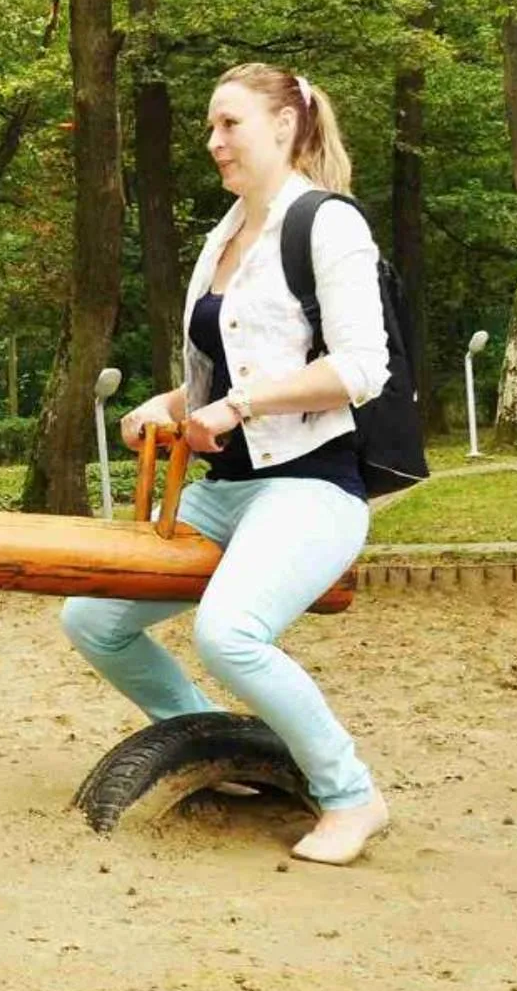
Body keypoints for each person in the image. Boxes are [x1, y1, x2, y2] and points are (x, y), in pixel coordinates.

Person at [60, 62, 392, 866]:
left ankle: (352, 795)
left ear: (284, 126)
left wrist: (236, 408)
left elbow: (361, 368)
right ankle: (213, 740)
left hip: (313, 486)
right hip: (230, 489)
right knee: (94, 620)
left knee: (230, 633)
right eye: (210, 127)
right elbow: (230, 371)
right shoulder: (225, 237)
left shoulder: (326, 222)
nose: (213, 142)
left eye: (229, 124)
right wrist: (169, 406)